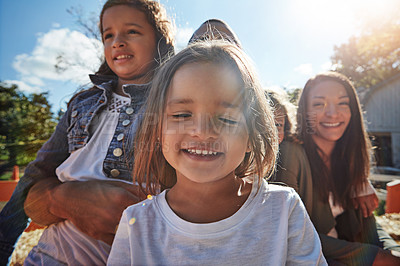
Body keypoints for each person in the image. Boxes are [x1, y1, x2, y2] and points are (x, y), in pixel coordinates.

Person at [107, 41, 327, 265]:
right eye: (182, 115)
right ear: (157, 130)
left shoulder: (283, 210)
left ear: (252, 136)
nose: (203, 132)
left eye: (227, 119)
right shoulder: (137, 224)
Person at [0, 0, 174, 265]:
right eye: (108, 35)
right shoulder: (82, 103)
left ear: (160, 40)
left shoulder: (174, 100)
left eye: (132, 31)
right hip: (53, 251)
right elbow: (37, 173)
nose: (117, 42)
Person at [274, 72, 400, 265]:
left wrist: (393, 252)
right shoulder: (290, 155)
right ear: (304, 112)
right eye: (318, 104)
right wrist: (373, 257)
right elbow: (288, 234)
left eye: (343, 103)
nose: (332, 113)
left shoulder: (349, 160)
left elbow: (370, 228)